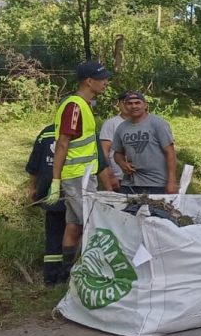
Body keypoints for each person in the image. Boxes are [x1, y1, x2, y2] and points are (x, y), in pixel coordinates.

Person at [43, 61, 111, 273]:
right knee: (92, 224)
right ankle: (87, 272)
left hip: (83, 175)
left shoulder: (85, 105)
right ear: (89, 81)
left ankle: (66, 273)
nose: (106, 83)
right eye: (102, 79)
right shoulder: (74, 106)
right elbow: (63, 143)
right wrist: (56, 180)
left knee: (74, 224)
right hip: (76, 177)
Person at [26, 126, 112, 285]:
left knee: (54, 234)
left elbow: (34, 163)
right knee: (79, 230)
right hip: (76, 192)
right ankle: (73, 275)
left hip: (51, 193)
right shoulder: (87, 132)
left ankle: (52, 278)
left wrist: (33, 187)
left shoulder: (47, 132)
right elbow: (100, 165)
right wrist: (109, 190)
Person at [111, 91, 178, 195]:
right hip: (130, 184)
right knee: (125, 211)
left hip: (156, 183)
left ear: (145, 105)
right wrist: (122, 163)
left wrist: (172, 181)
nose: (134, 106)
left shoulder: (158, 124)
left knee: (156, 211)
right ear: (125, 106)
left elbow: (170, 152)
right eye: (130, 103)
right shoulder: (122, 128)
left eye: (137, 103)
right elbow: (117, 153)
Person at [97, 92, 128, 187]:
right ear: (118, 104)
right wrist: (110, 175)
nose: (128, 105)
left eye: (131, 102)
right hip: (118, 177)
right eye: (124, 102)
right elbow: (104, 152)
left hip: (142, 178)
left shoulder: (146, 123)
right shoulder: (111, 123)